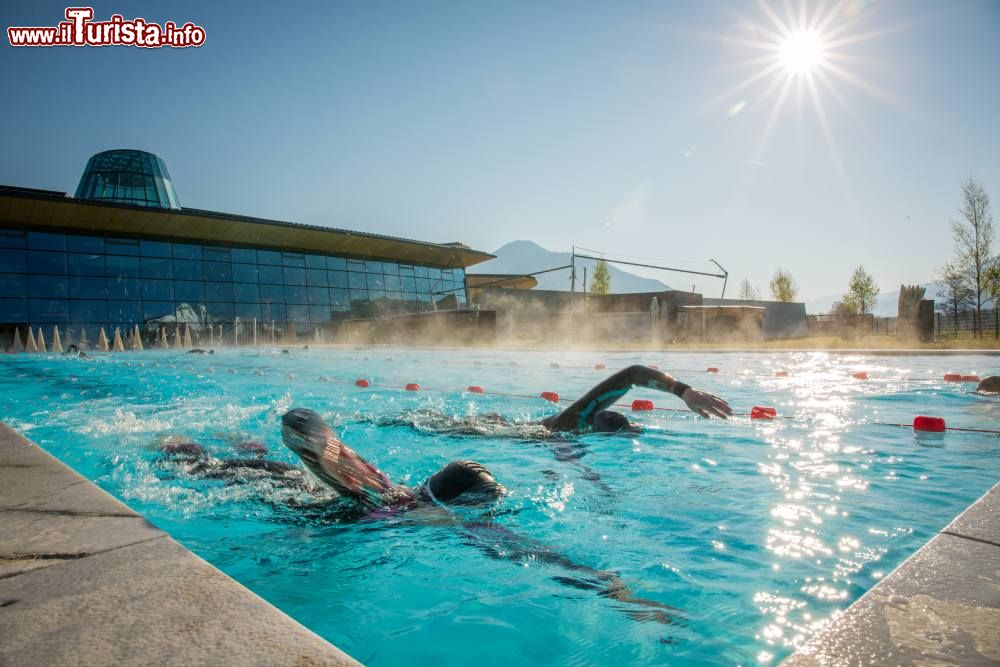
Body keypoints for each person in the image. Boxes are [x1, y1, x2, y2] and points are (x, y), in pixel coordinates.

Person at [540, 364, 732, 433]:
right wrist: (684, 391)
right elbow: (632, 374)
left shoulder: (570, 421)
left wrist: (684, 392)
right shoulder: (570, 422)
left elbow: (632, 375)